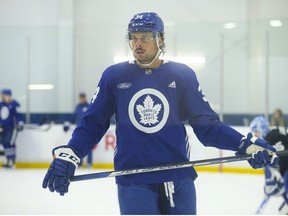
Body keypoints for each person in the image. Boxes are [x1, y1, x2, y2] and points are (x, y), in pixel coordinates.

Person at [42, 12, 279, 214]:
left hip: (179, 179)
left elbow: (207, 126)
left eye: (145, 37)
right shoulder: (114, 77)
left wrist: (246, 145)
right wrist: (70, 153)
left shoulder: (181, 75)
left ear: (161, 39)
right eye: (133, 38)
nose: (138, 44)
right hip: (133, 180)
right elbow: (93, 123)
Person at [250, 116, 288, 214]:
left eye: (256, 132)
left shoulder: (271, 138)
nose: (255, 136)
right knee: (283, 210)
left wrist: (271, 182)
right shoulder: (273, 134)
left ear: (261, 129)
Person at [63, 92, 92, 168]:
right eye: (81, 97)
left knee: (89, 146)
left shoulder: (89, 106)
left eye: (83, 97)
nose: (82, 99)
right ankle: (80, 162)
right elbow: (73, 117)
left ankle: (89, 163)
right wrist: (68, 124)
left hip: (88, 129)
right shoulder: (78, 107)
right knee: (79, 146)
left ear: (85, 98)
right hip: (79, 129)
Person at [0, 88, 23, 168]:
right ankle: (8, 160)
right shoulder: (1, 104)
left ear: (9, 96)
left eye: (4, 95)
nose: (2, 97)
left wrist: (19, 123)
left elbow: (18, 115)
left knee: (9, 143)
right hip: (3, 128)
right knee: (4, 143)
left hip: (12, 128)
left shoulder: (14, 104)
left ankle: (12, 161)